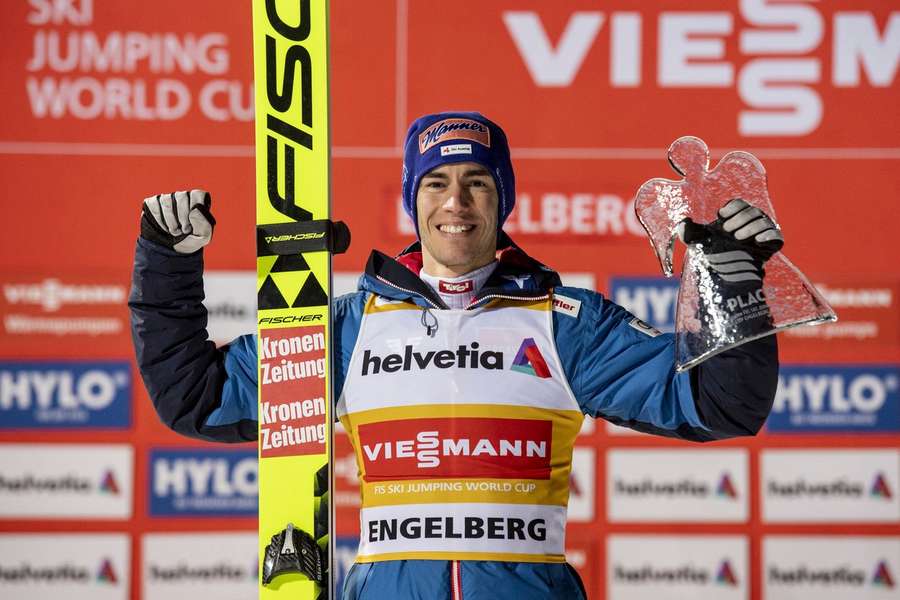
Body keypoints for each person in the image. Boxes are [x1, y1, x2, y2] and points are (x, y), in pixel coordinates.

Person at [130, 112, 781, 599]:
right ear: (413, 199)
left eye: (478, 183)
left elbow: (719, 404)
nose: (456, 203)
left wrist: (734, 284)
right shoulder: (352, 329)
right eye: (436, 182)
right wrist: (167, 261)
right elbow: (201, 398)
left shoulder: (564, 323)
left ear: (503, 200)